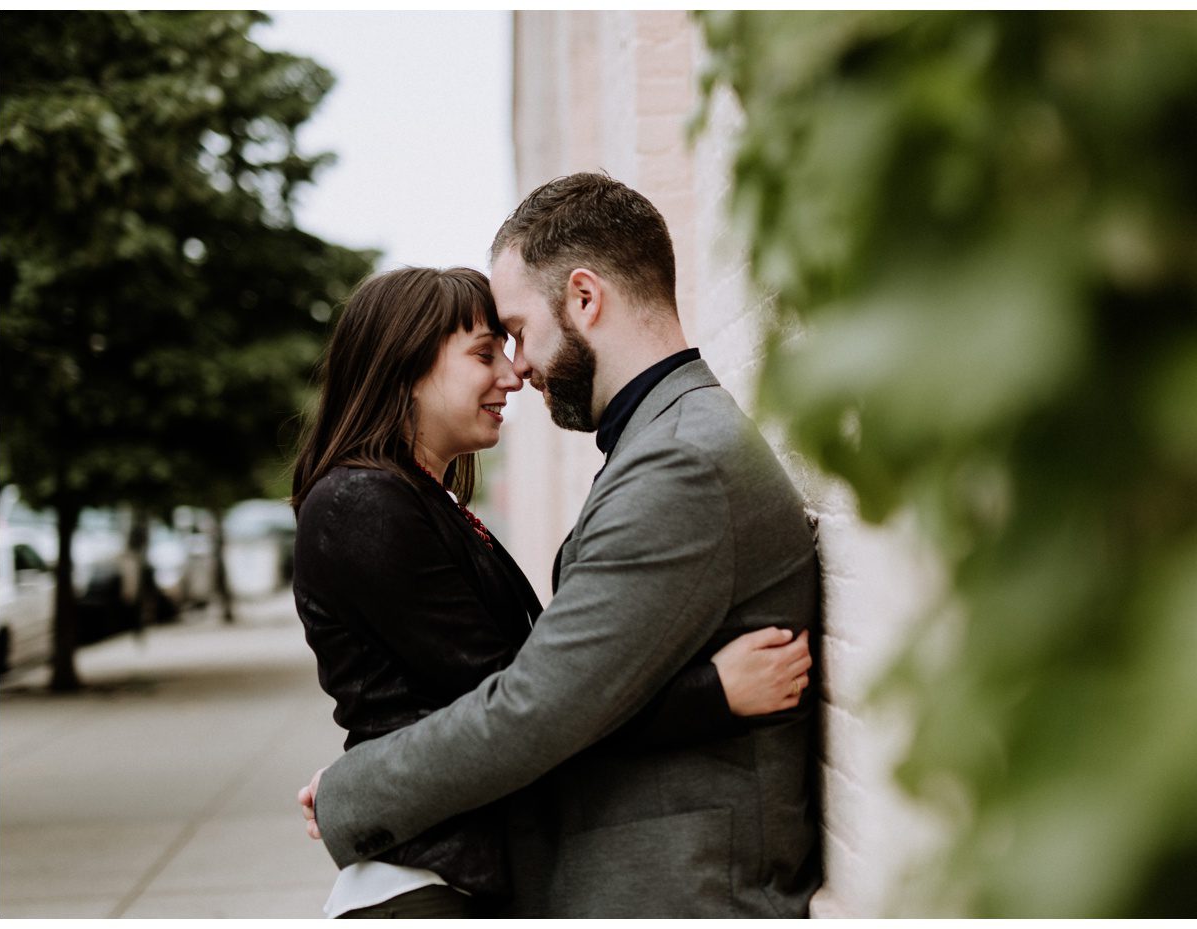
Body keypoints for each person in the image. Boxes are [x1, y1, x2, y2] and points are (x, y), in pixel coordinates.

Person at [299, 173, 825, 917]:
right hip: (439, 872)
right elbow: (541, 694)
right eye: (492, 348)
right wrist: (708, 694)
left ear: (584, 299)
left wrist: (351, 793)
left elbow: (541, 702)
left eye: (515, 332)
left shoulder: (677, 457)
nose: (518, 367)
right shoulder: (369, 502)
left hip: (684, 884)